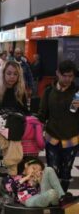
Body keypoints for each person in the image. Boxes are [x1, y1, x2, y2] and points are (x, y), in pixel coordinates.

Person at [38, 60, 79, 192]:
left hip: (71, 139)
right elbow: (42, 115)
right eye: (65, 75)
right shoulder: (49, 91)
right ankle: (53, 198)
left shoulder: (77, 93)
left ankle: (63, 199)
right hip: (52, 138)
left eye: (71, 76)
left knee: (66, 172)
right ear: (57, 73)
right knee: (52, 171)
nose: (68, 79)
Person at [4, 157, 77, 208]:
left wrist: (39, 181)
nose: (35, 172)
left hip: (42, 195)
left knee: (48, 169)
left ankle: (62, 198)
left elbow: (40, 190)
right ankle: (59, 198)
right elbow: (9, 189)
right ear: (26, 165)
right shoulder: (13, 176)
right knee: (52, 193)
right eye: (34, 168)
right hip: (28, 201)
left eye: (38, 171)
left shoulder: (36, 178)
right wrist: (26, 178)